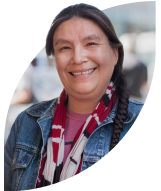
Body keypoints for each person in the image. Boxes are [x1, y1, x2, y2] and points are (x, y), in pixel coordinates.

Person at [4, 4, 144, 190]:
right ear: (54, 60)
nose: (78, 58)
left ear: (115, 53)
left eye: (91, 44)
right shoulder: (27, 123)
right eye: (64, 48)